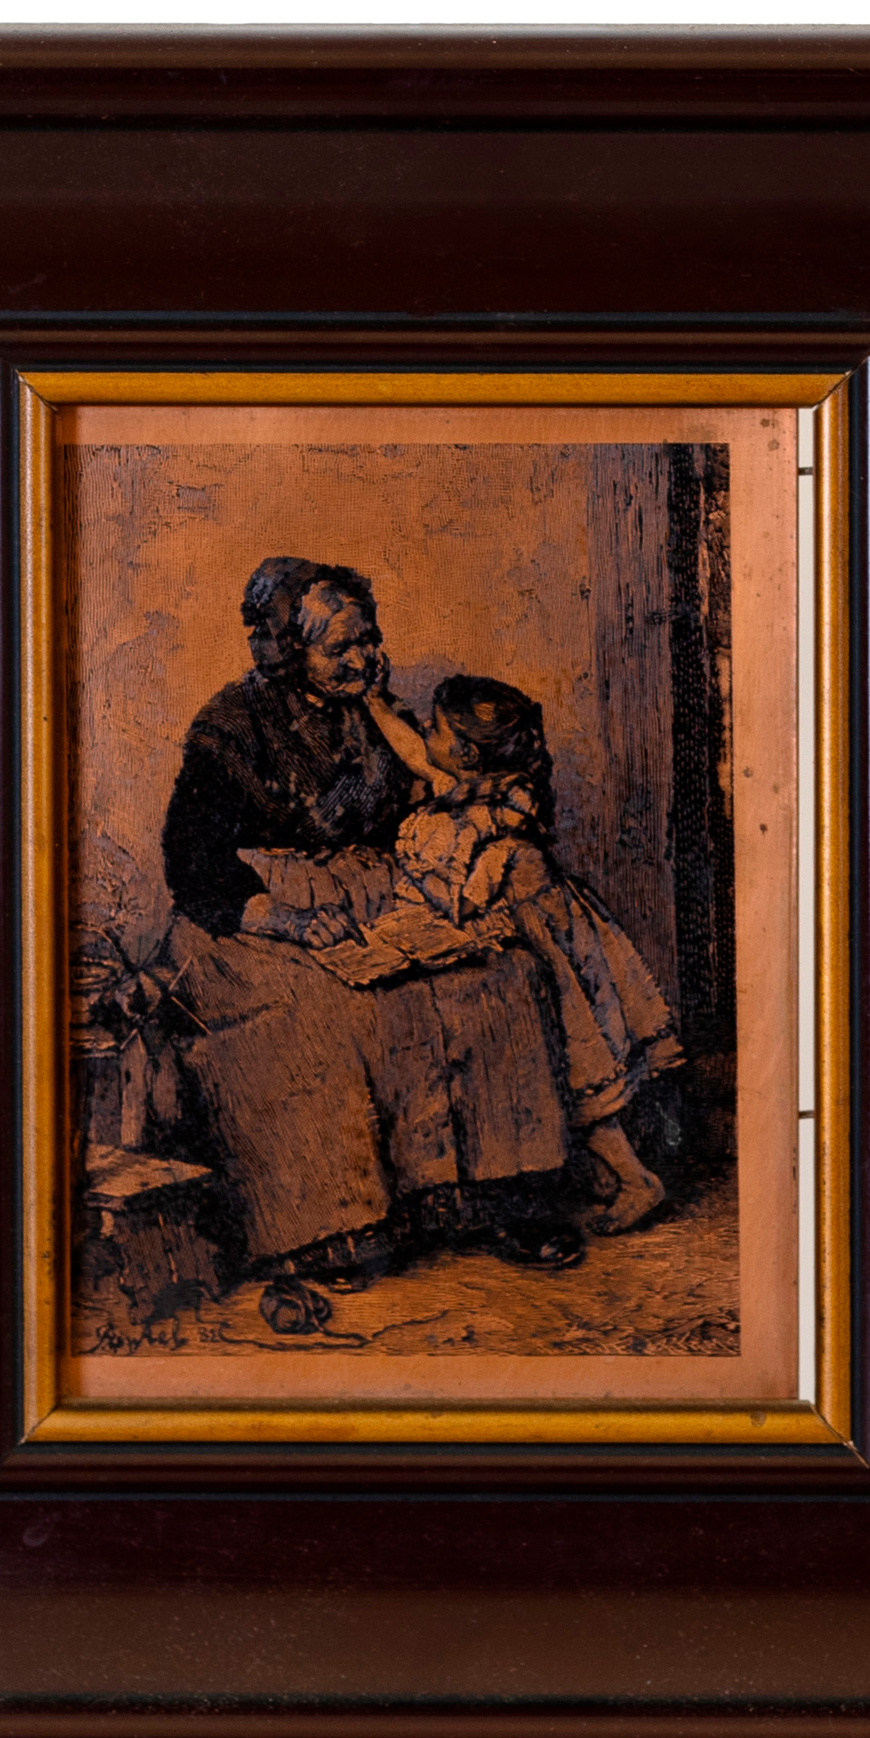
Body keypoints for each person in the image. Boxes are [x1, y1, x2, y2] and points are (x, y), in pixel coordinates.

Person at [157, 557, 585, 1322]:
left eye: (369, 638)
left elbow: (434, 799)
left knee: (501, 974)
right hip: (252, 920)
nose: (364, 657)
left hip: (375, 895)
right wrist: (291, 920)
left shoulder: (379, 714)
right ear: (289, 650)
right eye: (341, 647)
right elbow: (194, 869)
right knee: (323, 1012)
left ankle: (494, 1199)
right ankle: (334, 1230)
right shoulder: (229, 728)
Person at [364, 674, 683, 1236]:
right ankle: (603, 1173)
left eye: (434, 727)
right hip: (550, 943)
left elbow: (463, 902)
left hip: (548, 959)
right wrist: (372, 702)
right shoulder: (482, 787)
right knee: (573, 1080)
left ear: (466, 753)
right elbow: (416, 752)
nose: (423, 731)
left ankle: (636, 1180)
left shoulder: (496, 821)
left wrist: (419, 871)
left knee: (578, 1079)